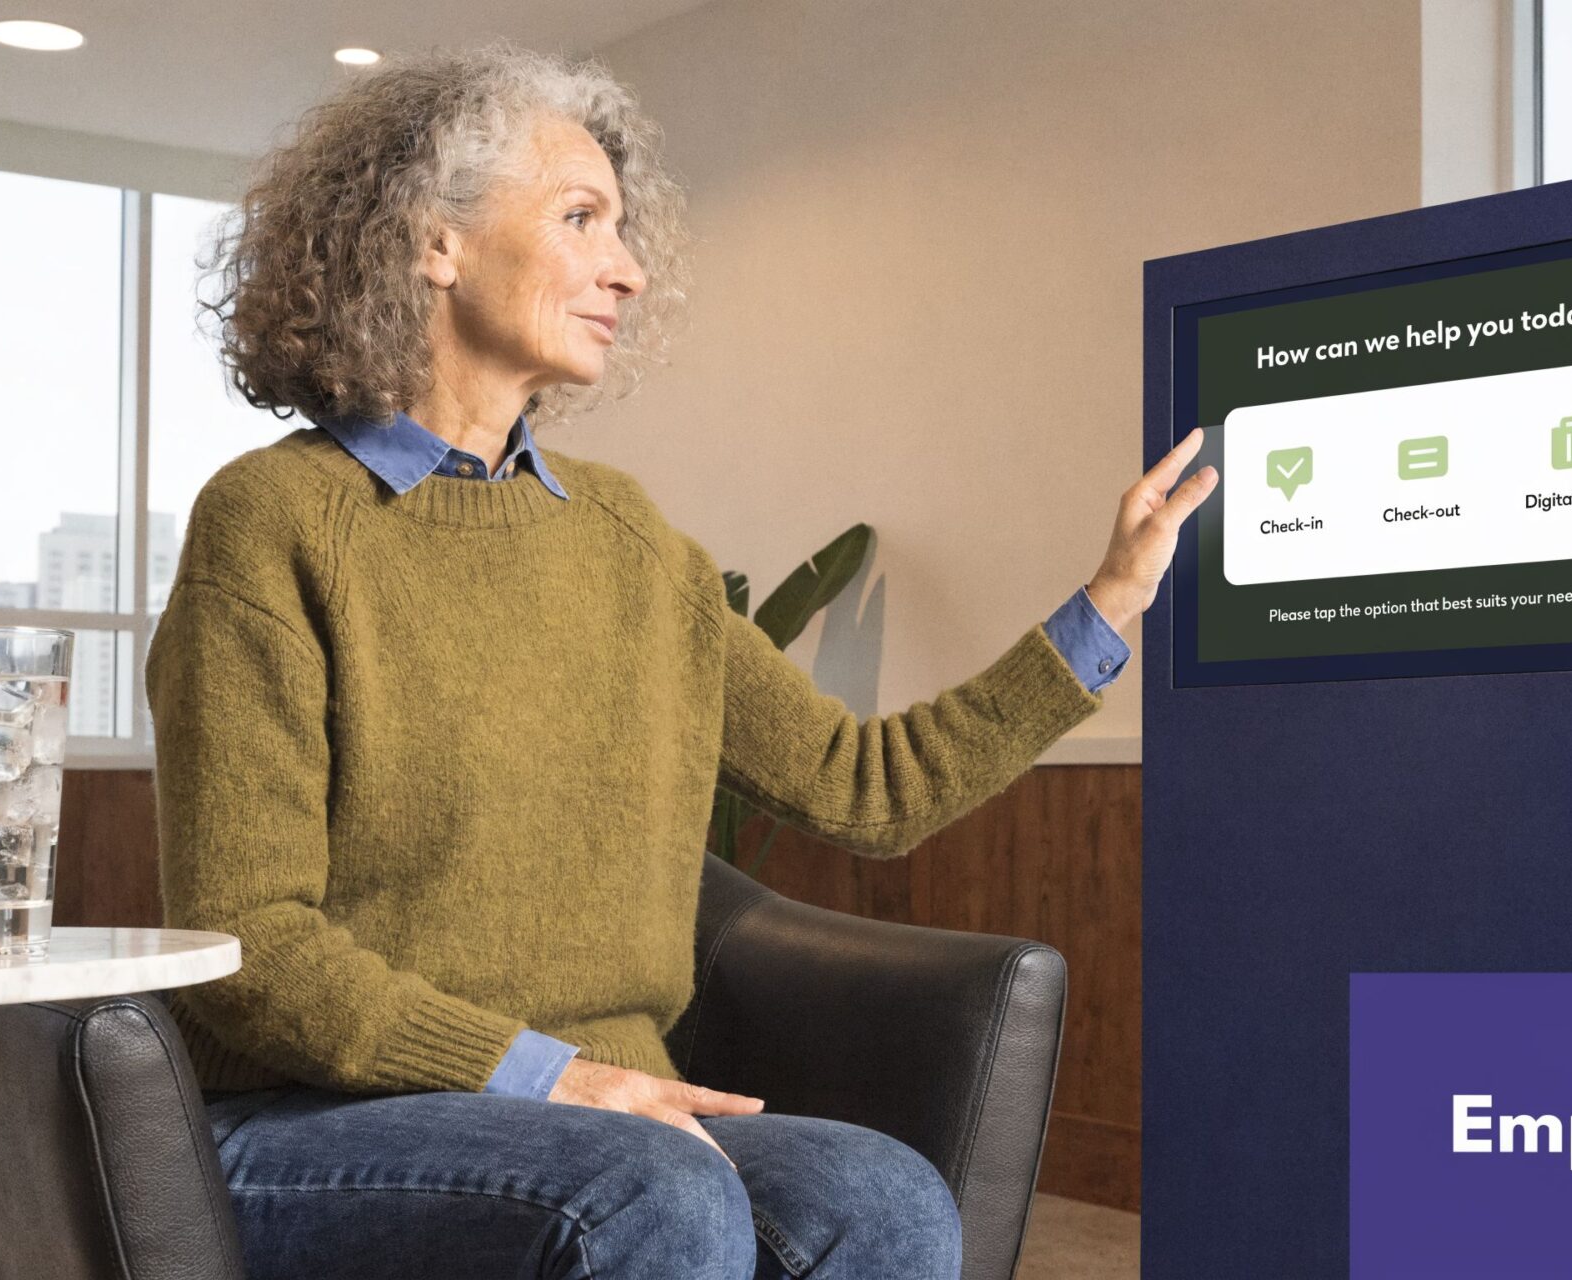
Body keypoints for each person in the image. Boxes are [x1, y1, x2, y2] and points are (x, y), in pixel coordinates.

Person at [149, 41, 1215, 1280]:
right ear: (434, 241)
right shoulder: (274, 522)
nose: (630, 269)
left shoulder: (631, 543)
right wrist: (547, 1076)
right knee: (648, 1195)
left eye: (623, 227)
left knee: (885, 1197)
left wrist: (1110, 600)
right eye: (582, 217)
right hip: (317, 1117)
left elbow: (869, 788)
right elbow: (248, 938)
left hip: (604, 1115)